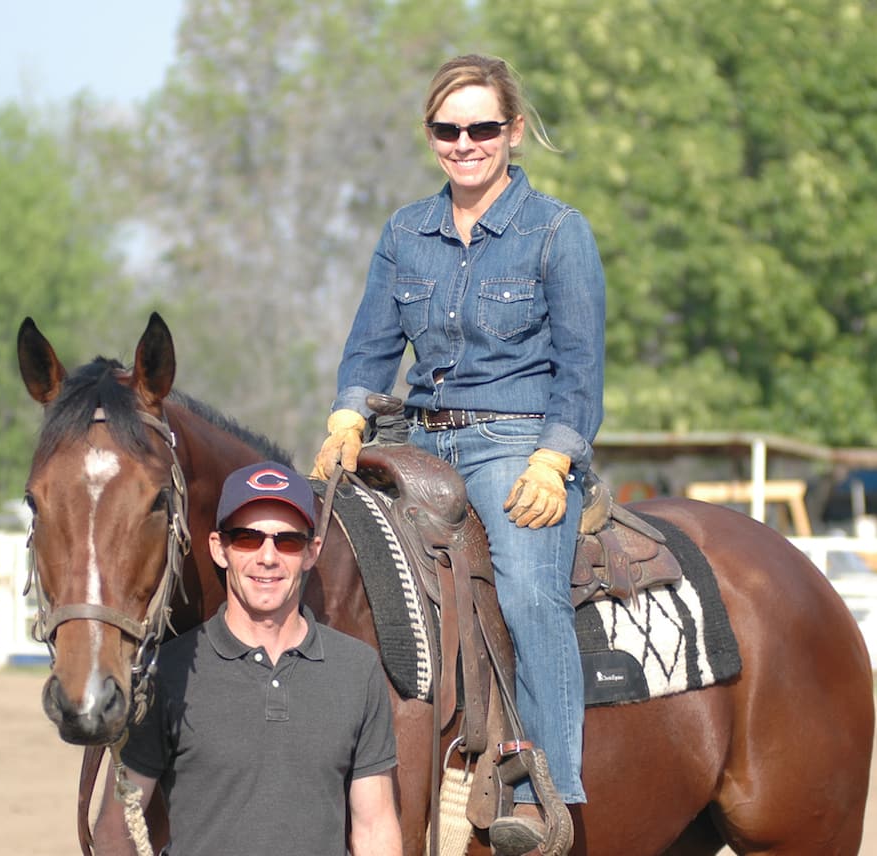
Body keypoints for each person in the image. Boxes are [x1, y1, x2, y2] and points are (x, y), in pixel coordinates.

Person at [313, 53, 605, 855]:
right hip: (412, 439)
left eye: (482, 127)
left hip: (513, 439)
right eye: (449, 129)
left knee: (527, 593)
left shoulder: (557, 231)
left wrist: (555, 459)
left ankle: (548, 792)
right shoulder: (405, 232)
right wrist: (346, 416)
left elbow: (580, 371)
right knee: (320, 567)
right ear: (431, 135)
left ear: (513, 132)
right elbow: (370, 351)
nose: (465, 142)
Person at [93, 461, 402, 856]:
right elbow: (117, 830)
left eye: (287, 541)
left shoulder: (357, 670)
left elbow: (375, 828)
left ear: (312, 553)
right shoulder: (167, 672)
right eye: (247, 539)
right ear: (219, 549)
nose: (268, 557)